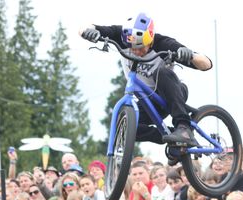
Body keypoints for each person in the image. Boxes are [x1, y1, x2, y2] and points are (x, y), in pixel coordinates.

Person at [80, 13, 212, 156]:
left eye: (141, 47)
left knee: (162, 72)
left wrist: (190, 55)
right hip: (148, 101)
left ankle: (183, 127)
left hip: (171, 93)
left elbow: (206, 64)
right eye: (132, 47)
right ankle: (171, 136)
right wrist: (88, 32)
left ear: (150, 40)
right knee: (126, 126)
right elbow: (87, 28)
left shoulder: (164, 44)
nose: (136, 52)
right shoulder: (122, 35)